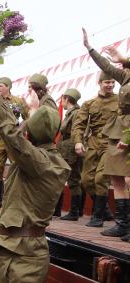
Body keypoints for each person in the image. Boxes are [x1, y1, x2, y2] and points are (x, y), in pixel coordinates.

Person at [0, 50, 70, 283]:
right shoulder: (48, 160)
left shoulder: (38, 162)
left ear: (29, 135)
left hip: (24, 254)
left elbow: (7, 127)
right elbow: (42, 128)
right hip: (13, 248)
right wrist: (36, 109)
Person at [83, 28, 130, 240]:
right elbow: (107, 67)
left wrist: (128, 137)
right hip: (119, 128)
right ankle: (123, 225)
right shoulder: (126, 76)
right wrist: (89, 48)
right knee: (116, 177)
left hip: (127, 131)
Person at [72, 69, 118, 227]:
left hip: (111, 143)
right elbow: (79, 125)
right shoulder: (89, 103)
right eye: (107, 82)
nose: (110, 85)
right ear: (99, 83)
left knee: (100, 179)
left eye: (112, 82)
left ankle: (98, 217)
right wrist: (78, 141)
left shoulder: (121, 100)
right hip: (92, 143)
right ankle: (104, 209)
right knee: (85, 180)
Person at [0, 77, 28, 208]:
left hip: (13, 139)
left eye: (0, 86)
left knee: (16, 166)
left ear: (8, 87)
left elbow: (28, 117)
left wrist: (20, 130)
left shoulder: (18, 101)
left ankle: (16, 199)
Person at [56, 89, 84, 221]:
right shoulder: (70, 113)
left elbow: (76, 133)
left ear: (66, 99)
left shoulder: (76, 113)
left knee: (73, 180)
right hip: (65, 149)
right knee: (62, 178)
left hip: (71, 150)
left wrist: (73, 154)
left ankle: (74, 212)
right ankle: (57, 209)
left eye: (63, 99)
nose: (62, 102)